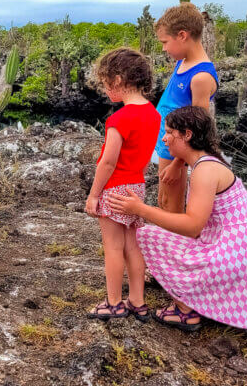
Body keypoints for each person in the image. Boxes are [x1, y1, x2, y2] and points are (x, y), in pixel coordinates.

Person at [109, 106, 247, 331]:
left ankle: (185, 311)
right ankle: (196, 303)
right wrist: (178, 162)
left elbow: (192, 226)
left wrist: (140, 209)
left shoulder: (204, 171)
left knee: (145, 235)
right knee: (167, 236)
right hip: (241, 257)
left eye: (169, 132)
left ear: (187, 135)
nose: (164, 139)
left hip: (231, 260)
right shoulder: (208, 162)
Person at [85, 48, 161, 321]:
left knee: (113, 248)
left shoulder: (118, 119)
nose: (106, 90)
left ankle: (114, 302)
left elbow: (107, 163)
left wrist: (94, 195)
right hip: (136, 188)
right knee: (133, 246)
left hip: (115, 188)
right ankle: (137, 301)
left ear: (118, 80)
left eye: (106, 83)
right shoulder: (153, 114)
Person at [153, 3, 218, 214]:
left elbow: (197, 126)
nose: (164, 48)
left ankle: (175, 245)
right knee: (163, 199)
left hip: (177, 149)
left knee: (171, 205)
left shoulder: (201, 77)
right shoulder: (182, 61)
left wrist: (178, 163)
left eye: (165, 42)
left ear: (182, 35)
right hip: (166, 141)